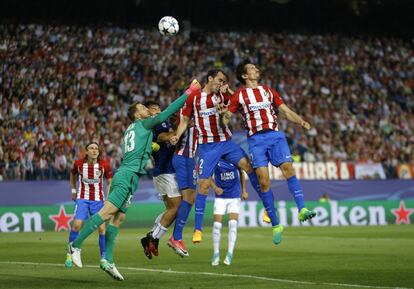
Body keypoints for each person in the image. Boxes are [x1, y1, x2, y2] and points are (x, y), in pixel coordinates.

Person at [67, 79, 201, 281]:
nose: (148, 110)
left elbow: (136, 149)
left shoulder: (131, 129)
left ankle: (107, 259)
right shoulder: (144, 123)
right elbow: (166, 113)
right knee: (107, 212)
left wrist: (151, 148)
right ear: (138, 114)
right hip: (126, 175)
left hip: (130, 177)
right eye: (143, 108)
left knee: (118, 218)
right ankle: (75, 245)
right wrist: (188, 93)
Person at [169, 69, 280, 257]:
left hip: (226, 143)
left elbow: (239, 102)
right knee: (203, 185)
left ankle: (268, 209)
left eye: (224, 81)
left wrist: (228, 93)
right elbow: (185, 119)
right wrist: (177, 135)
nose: (221, 83)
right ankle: (197, 230)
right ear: (210, 78)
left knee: (249, 167)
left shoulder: (223, 95)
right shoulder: (194, 98)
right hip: (207, 147)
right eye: (219, 80)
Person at [221, 60, 316, 235]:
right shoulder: (239, 96)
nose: (256, 69)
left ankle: (302, 209)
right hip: (256, 140)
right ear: (244, 75)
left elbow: (286, 111)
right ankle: (275, 224)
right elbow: (228, 114)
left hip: (275, 136)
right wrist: (224, 117)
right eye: (252, 68)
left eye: (256, 67)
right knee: (263, 180)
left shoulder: (268, 91)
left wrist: (300, 121)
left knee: (288, 168)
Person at [140, 101, 181, 259]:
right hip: (165, 171)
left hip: (162, 171)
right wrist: (174, 134)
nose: (158, 110)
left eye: (158, 108)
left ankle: (150, 237)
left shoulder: (162, 121)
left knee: (170, 209)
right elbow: (161, 136)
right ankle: (154, 238)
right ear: (149, 112)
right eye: (153, 109)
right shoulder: (156, 122)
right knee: (175, 209)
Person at [65, 142, 112, 268]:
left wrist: (108, 198)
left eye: (96, 148)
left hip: (98, 200)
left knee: (102, 229)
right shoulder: (79, 164)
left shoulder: (104, 165)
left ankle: (103, 258)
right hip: (82, 198)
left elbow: (109, 181)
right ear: (86, 151)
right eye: (91, 148)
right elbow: (72, 174)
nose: (94, 150)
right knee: (77, 225)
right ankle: (70, 253)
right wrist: (73, 190)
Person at [166, 109, 199, 257]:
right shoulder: (184, 121)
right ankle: (176, 237)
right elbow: (176, 125)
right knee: (189, 198)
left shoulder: (198, 120)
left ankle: (176, 237)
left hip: (189, 160)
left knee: (190, 198)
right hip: (183, 158)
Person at [210, 159, 248, 266]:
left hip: (234, 196)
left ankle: (230, 253)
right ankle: (216, 253)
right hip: (220, 197)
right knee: (217, 225)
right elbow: (208, 176)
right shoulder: (216, 158)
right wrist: (215, 188)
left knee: (233, 224)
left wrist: (244, 190)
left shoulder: (233, 157)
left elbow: (241, 173)